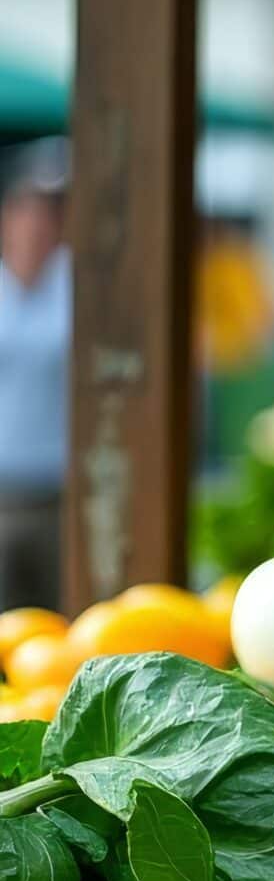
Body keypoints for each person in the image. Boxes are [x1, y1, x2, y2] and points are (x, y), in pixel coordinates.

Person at [0, 152, 69, 609]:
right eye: (27, 214)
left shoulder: (76, 286)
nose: (35, 227)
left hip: (59, 492)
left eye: (47, 216)